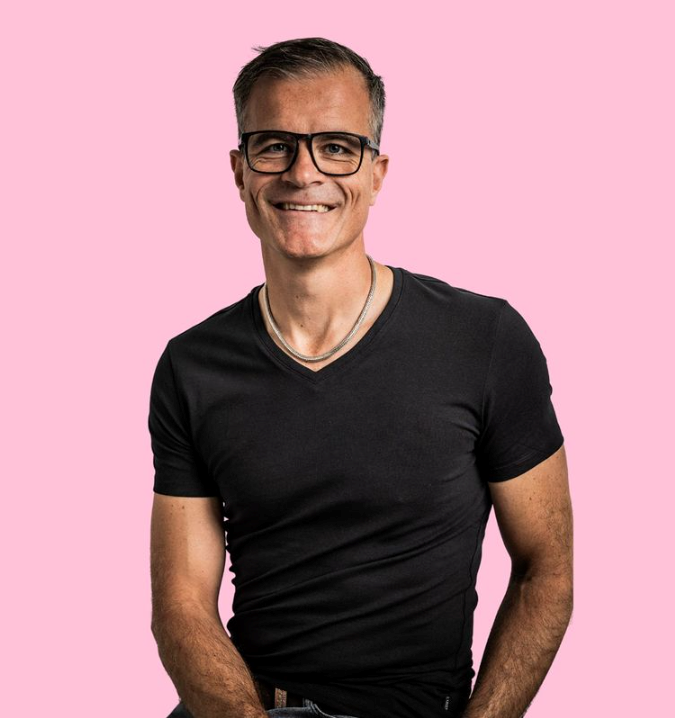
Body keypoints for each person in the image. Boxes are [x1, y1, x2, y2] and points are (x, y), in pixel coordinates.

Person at [148, 37, 573, 718]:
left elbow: (544, 570)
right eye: (274, 146)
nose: (303, 173)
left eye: (337, 147)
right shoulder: (191, 365)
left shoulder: (485, 340)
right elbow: (181, 604)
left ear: (376, 174)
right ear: (239, 171)